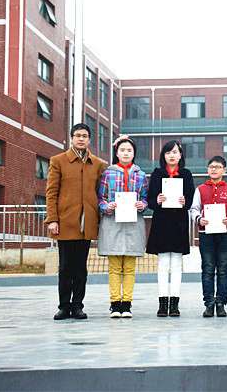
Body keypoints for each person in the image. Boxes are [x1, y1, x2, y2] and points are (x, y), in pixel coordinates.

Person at [45, 123, 108, 320]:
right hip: (65, 222)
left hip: (87, 223)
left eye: (85, 136)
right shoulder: (58, 161)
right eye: (78, 135)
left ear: (89, 139)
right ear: (71, 138)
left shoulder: (98, 164)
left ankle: (78, 305)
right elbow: (51, 192)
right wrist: (52, 219)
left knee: (81, 268)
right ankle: (64, 306)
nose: (81, 139)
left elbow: (101, 193)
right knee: (65, 267)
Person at [97, 136, 148, 319]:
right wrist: (107, 206)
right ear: (116, 153)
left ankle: (127, 304)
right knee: (114, 268)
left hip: (133, 225)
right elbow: (100, 198)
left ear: (134, 153)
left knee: (130, 268)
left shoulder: (141, 175)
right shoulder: (107, 174)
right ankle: (114, 304)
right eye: (122, 150)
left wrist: (142, 204)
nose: (126, 153)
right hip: (113, 224)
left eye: (129, 150)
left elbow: (145, 198)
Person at [146, 140, 195, 317]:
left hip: (179, 223)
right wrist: (157, 200)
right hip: (161, 223)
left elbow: (191, 199)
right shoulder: (157, 174)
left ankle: (174, 304)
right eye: (168, 152)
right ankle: (162, 303)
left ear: (180, 155)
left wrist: (185, 201)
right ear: (163, 156)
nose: (172, 155)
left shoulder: (186, 174)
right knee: (162, 264)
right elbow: (150, 200)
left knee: (176, 264)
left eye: (175, 152)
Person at [189, 156, 227, 318]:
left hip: (225, 234)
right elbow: (193, 209)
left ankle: (221, 303)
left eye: (218, 167)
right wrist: (199, 219)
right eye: (211, 166)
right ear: (207, 169)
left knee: (223, 268)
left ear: (224, 170)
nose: (214, 169)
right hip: (206, 234)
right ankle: (209, 303)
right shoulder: (200, 189)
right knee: (207, 268)